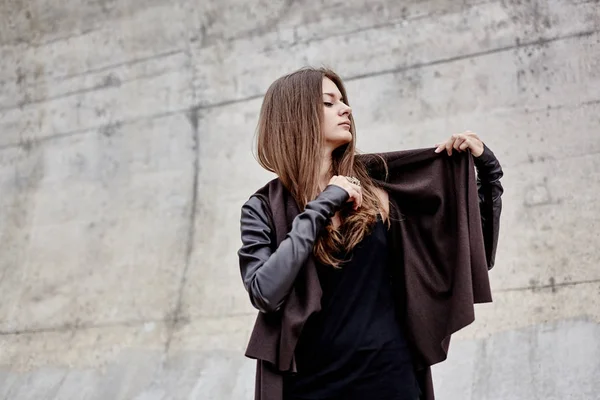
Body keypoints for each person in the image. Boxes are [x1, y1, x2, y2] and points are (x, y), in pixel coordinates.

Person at [237, 67, 504, 400]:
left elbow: (467, 254)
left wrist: (488, 174)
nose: (345, 109)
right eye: (328, 102)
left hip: (390, 380)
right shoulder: (262, 208)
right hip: (308, 387)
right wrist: (324, 204)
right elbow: (265, 291)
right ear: (296, 115)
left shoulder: (378, 190)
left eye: (343, 102)